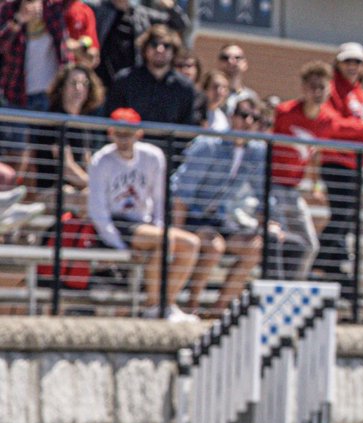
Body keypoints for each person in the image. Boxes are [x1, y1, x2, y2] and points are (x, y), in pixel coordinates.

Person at [87, 107, 199, 320]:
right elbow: (98, 211)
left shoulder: (153, 156)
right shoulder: (101, 160)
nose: (123, 139)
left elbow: (158, 200)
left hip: (145, 225)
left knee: (190, 244)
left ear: (138, 133)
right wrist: (118, 245)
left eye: (128, 133)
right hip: (118, 224)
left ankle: (167, 304)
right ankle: (152, 305)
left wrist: (158, 228)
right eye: (118, 133)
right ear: (111, 133)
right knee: (165, 241)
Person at [271, 61, 363, 280]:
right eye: (313, 87)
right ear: (303, 88)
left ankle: (295, 288)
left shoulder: (327, 119)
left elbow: (348, 128)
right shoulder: (284, 113)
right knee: (274, 242)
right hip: (271, 187)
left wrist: (316, 184)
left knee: (309, 244)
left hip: (292, 189)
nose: (317, 92)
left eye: (322, 87)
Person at [171, 94, 265, 316]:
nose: (248, 122)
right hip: (191, 215)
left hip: (219, 218)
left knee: (255, 247)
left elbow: (263, 191)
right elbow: (181, 193)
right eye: (243, 115)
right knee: (214, 247)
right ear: (232, 117)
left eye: (255, 117)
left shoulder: (257, 151)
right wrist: (176, 233)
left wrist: (271, 221)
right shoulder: (208, 144)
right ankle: (192, 305)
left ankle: (219, 309)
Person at [316, 41, 363, 275]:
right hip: (336, 162)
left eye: (357, 62)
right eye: (348, 61)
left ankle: (334, 266)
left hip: (357, 166)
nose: (352, 66)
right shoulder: (330, 89)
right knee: (343, 214)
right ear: (338, 63)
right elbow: (330, 123)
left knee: (347, 216)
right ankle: (320, 260)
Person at [28, 63, 104, 195]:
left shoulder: (82, 123)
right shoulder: (54, 121)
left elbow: (88, 162)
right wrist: (98, 186)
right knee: (90, 197)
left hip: (76, 188)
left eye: (84, 84)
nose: (79, 89)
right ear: (62, 88)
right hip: (51, 192)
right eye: (73, 83)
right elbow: (66, 168)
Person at [104, 24, 199, 128]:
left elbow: (187, 126)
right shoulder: (125, 80)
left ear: (173, 51)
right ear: (145, 49)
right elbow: (111, 117)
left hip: (168, 143)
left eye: (166, 45)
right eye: (154, 44)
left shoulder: (184, 87)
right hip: (131, 142)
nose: (160, 49)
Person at [0, 0, 67, 111]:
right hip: (16, 95)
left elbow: (64, 50)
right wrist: (18, 20)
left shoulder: (53, 8)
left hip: (50, 95)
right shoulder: (9, 9)